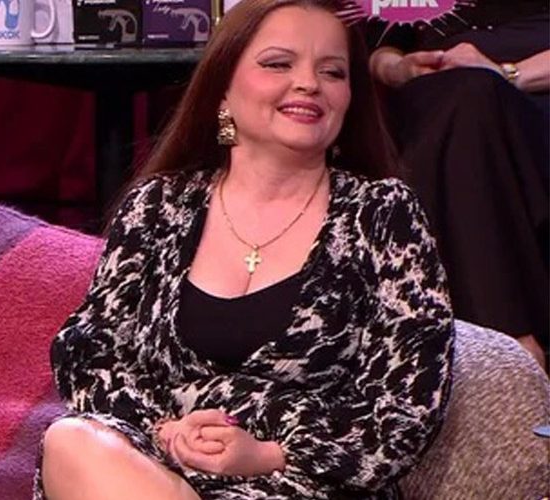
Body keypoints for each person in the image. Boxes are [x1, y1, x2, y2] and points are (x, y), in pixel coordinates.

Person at [36, 0, 454, 498]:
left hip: (305, 482)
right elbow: (90, 351)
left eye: (332, 72)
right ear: (222, 88)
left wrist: (269, 454)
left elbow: (408, 405)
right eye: (278, 64)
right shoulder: (159, 206)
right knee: (71, 441)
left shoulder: (384, 214)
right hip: (158, 462)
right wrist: (167, 431)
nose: (309, 83)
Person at [365, 1, 549, 370]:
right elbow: (377, 50)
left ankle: (500, 343)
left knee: (471, 100)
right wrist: (399, 69)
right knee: (455, 113)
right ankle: (506, 349)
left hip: (531, 99)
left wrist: (508, 73)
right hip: (438, 102)